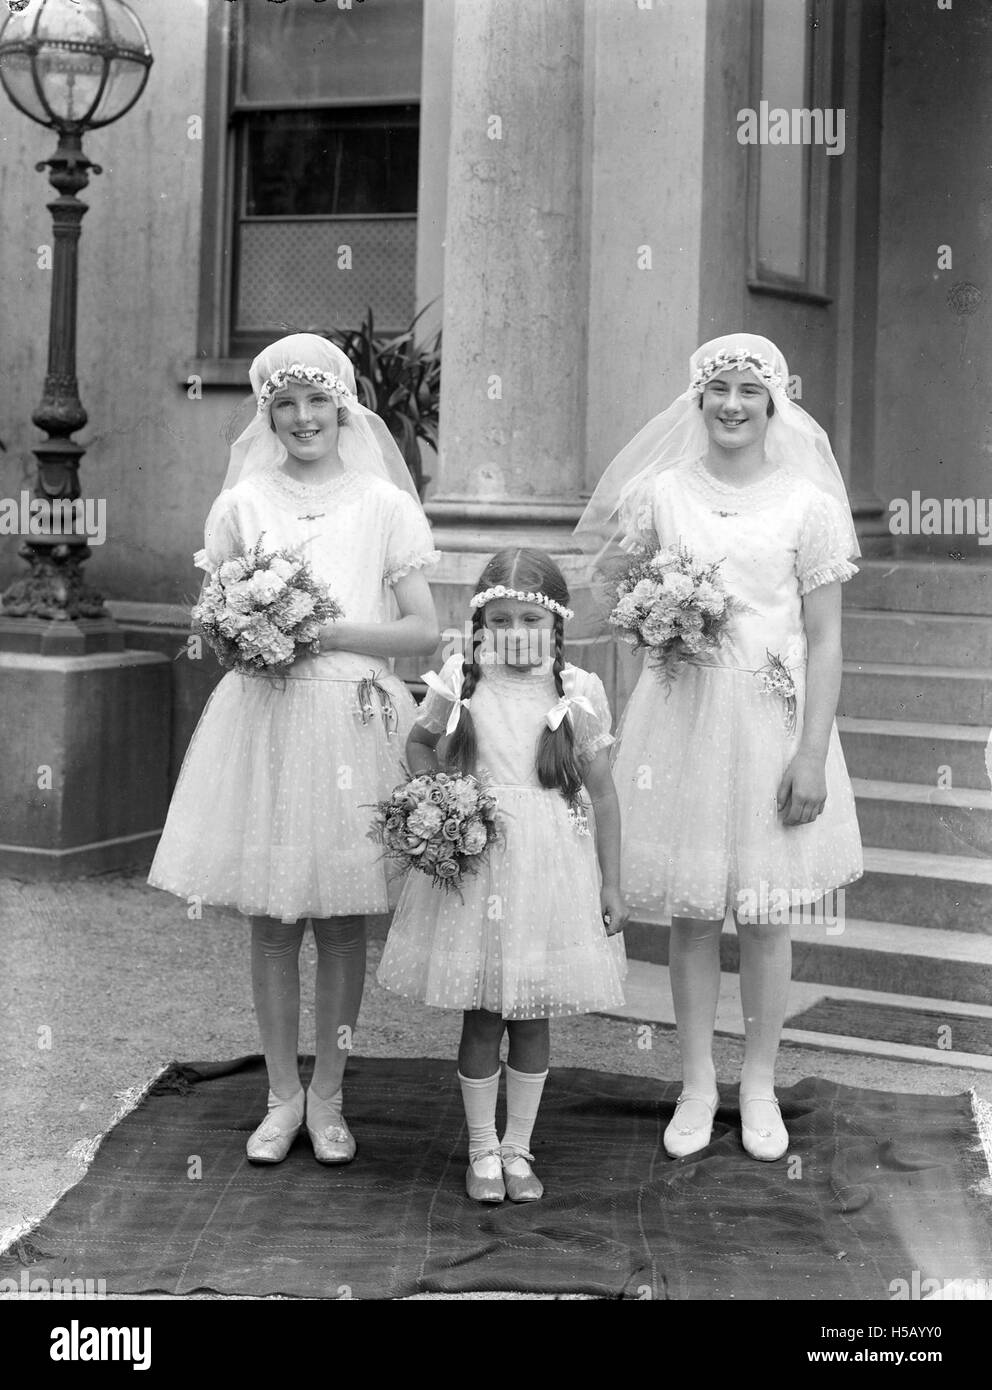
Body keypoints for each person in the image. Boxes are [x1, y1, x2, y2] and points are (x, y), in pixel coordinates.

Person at [149, 333, 440, 1165]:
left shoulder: (383, 505)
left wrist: (325, 629)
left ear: (342, 409)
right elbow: (216, 623)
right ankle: (280, 1097)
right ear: (267, 412)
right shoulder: (244, 503)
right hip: (268, 722)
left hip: (352, 716)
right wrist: (251, 633)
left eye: (318, 402)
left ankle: (331, 1094)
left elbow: (423, 627)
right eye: (286, 404)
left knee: (342, 923)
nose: (303, 417)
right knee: (274, 922)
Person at [576, 333, 863, 1162]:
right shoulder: (663, 493)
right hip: (684, 718)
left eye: (749, 390)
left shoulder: (807, 505)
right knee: (696, 916)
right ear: (696, 402)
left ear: (775, 403)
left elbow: (826, 638)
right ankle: (697, 1081)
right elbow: (616, 590)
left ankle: (761, 1081)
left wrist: (811, 752)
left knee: (766, 915)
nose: (732, 405)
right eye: (717, 390)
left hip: (774, 720)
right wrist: (658, 620)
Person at [377, 547, 628, 1202]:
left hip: (552, 871)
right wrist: (441, 797)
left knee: (534, 1013)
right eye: (503, 619)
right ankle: (482, 1149)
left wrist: (611, 882)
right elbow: (418, 741)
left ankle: (520, 1146)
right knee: (485, 1013)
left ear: (556, 627)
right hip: (481, 866)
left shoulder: (576, 693)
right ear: (482, 623)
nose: (517, 635)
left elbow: (603, 794)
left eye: (531, 621)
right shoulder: (463, 680)